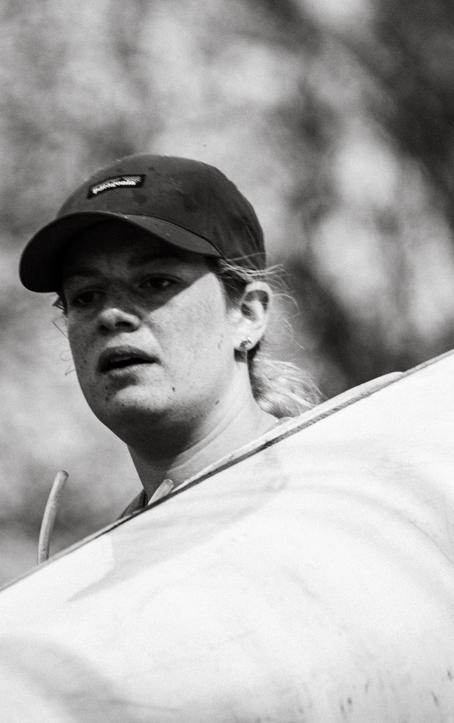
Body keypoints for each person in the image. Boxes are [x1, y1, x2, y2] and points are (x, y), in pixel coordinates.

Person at [19, 154, 321, 517]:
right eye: (85, 296)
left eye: (155, 282)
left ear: (247, 314)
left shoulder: (352, 491)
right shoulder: (115, 553)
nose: (111, 315)